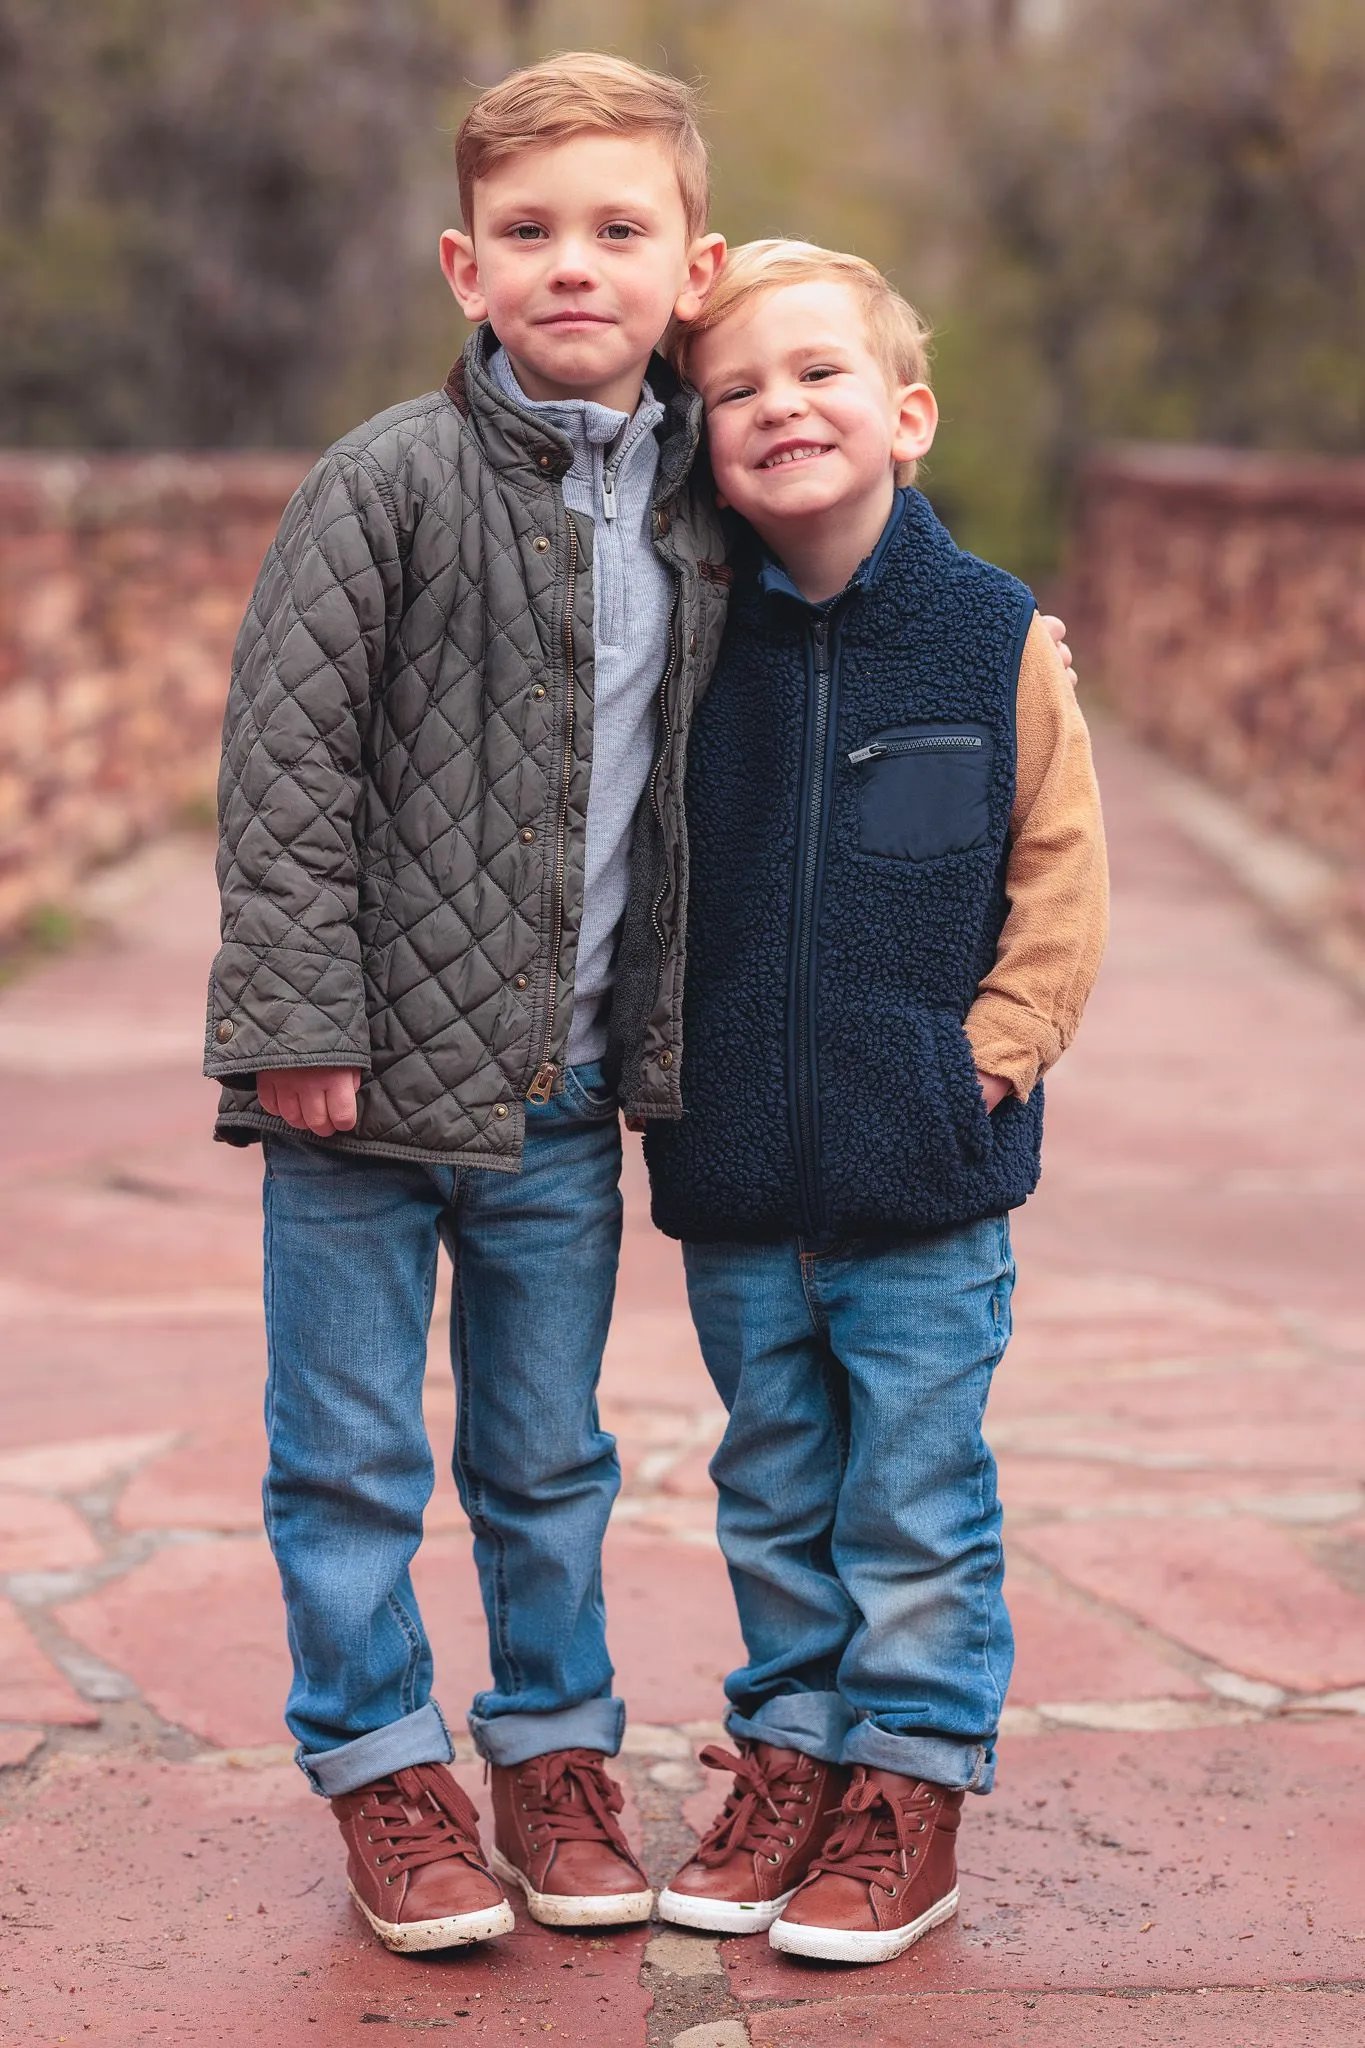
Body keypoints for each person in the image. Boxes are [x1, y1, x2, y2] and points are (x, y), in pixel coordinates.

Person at [204, 51, 732, 1953]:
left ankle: (554, 1757)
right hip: (351, 1096)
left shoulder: (710, 499)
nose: (573, 263)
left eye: (618, 228)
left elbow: (863, 574)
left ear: (692, 268)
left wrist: (1016, 643)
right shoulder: (389, 483)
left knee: (545, 1455)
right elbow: (285, 765)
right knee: (348, 1455)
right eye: (529, 231)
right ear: (465, 264)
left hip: (561, 1092)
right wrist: (298, 1020)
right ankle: (381, 1769)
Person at [645, 240, 1108, 1966]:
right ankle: (792, 1759)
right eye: (736, 389)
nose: (780, 407)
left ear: (907, 414)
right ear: (700, 443)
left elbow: (1060, 872)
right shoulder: (690, 645)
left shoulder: (994, 637)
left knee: (914, 1499)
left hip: (927, 1169)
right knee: (773, 1489)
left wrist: (987, 1057)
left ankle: (910, 1790)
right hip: (736, 1169)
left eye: (819, 372)